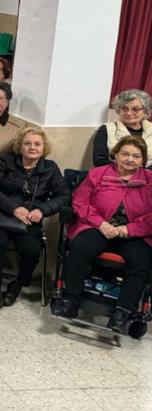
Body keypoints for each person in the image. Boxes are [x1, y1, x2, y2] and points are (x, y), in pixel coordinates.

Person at [52, 137, 152, 333]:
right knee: (80, 245)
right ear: (115, 154)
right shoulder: (97, 174)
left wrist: (130, 229)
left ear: (143, 160)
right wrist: (100, 223)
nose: (129, 159)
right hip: (98, 228)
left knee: (142, 258)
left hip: (134, 234)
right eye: (125, 154)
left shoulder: (150, 180)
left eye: (136, 156)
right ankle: (69, 299)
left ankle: (122, 313)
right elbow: (79, 202)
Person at [0, 127, 70, 316]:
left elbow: (64, 195)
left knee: (32, 249)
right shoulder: (5, 161)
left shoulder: (50, 168)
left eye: (37, 144)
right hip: (1, 215)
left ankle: (17, 285)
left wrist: (42, 210)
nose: (32, 147)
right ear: (19, 146)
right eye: (27, 143)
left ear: (43, 147)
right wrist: (13, 208)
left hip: (30, 219)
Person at [92, 89, 152, 168]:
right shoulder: (106, 129)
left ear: (145, 111)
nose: (129, 113)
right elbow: (99, 161)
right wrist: (130, 170)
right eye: (124, 108)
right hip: (115, 176)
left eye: (135, 109)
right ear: (118, 109)